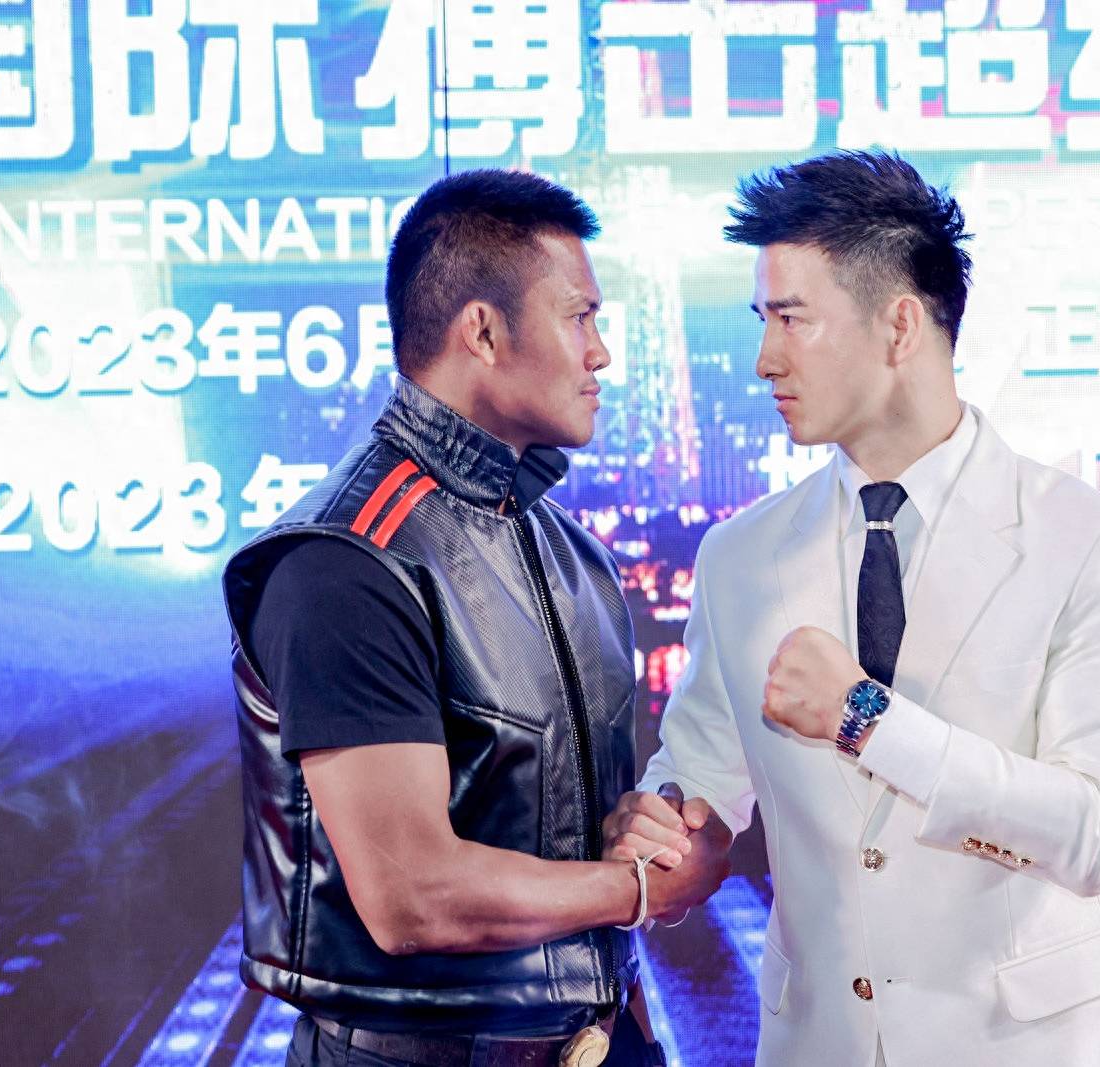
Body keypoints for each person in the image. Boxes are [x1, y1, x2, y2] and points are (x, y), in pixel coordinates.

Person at [603, 151, 1100, 1066]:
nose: (764, 360)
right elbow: (702, 780)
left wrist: (867, 720)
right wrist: (666, 827)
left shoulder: (1094, 541)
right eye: (762, 321)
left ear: (900, 325)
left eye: (792, 319)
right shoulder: (741, 556)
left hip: (1040, 1044)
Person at [222, 168, 729, 1067]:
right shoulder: (347, 560)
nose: (601, 353)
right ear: (484, 331)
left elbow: (581, 846)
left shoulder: (574, 555)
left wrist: (651, 851)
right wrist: (638, 888)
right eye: (580, 317)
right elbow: (412, 896)